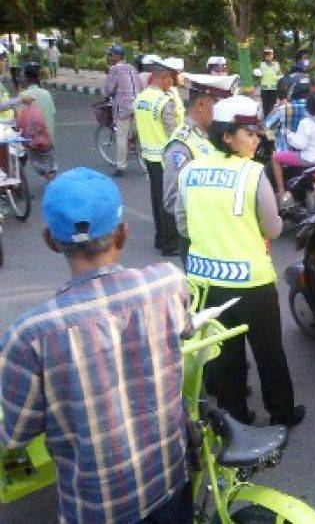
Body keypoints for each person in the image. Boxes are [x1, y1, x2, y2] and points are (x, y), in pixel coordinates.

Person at [0, 168, 193, 523]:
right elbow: (185, 334)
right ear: (123, 232)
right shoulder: (169, 283)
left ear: (50, 240)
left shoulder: (29, 335)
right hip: (169, 484)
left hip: (97, 509)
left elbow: (14, 436)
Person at [176, 95, 305, 427]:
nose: (256, 139)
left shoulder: (190, 171)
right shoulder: (252, 174)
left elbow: (181, 223)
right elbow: (274, 229)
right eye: (249, 133)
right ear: (227, 136)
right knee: (268, 353)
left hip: (206, 283)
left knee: (225, 354)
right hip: (252, 284)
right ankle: (282, 414)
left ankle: (236, 418)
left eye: (256, 133)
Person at [163, 73, 237, 265]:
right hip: (200, 244)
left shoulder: (215, 135)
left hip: (224, 238)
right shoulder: (182, 145)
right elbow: (172, 200)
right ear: (202, 104)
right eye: (221, 106)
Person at [134, 59, 179, 256]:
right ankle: (169, 244)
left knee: (156, 198)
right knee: (168, 201)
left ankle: (160, 238)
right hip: (164, 157)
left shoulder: (141, 98)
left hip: (148, 156)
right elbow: (172, 133)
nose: (172, 83)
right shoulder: (163, 101)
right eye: (170, 79)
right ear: (162, 78)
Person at [271, 90, 315, 206]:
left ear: (310, 106)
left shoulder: (306, 122)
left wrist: (288, 134)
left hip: (308, 160)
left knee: (275, 157)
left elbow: (299, 145)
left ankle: (281, 192)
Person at [105, 44, 142, 177]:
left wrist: (109, 94)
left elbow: (109, 90)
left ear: (117, 56)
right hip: (137, 104)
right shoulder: (132, 68)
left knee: (121, 136)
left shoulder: (115, 69)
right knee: (136, 132)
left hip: (123, 107)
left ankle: (120, 167)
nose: (110, 57)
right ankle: (135, 146)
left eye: (112, 55)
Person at [163, 57, 186, 126]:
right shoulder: (167, 92)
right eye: (180, 72)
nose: (183, 76)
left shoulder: (174, 90)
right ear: (172, 74)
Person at [259, 48, 280, 117]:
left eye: (270, 55)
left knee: (273, 104)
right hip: (264, 88)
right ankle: (266, 118)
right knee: (265, 105)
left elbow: (279, 74)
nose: (268, 56)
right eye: (267, 55)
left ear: (272, 55)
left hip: (273, 87)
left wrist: (279, 77)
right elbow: (259, 74)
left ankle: (272, 119)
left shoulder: (276, 64)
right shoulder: (262, 64)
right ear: (265, 56)